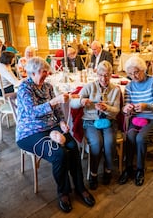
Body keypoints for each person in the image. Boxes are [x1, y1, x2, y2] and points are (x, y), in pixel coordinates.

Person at [15, 57, 95, 213]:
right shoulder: (24, 88)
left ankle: (79, 187)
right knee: (59, 154)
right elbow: (32, 113)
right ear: (32, 72)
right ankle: (63, 192)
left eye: (46, 71)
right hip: (30, 132)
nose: (46, 73)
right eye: (42, 71)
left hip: (52, 126)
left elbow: (58, 110)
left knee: (73, 147)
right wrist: (53, 102)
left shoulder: (48, 87)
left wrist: (62, 122)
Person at [70, 60, 121, 190]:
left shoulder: (115, 89)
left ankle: (108, 170)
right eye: (101, 75)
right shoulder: (89, 86)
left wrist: (107, 108)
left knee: (109, 142)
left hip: (108, 120)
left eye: (107, 75)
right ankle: (93, 173)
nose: (104, 78)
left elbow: (117, 110)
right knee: (97, 143)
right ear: (97, 74)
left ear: (111, 75)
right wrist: (81, 101)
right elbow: (73, 103)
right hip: (90, 120)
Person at [118, 56, 153, 186]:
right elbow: (125, 107)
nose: (134, 76)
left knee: (140, 138)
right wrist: (126, 108)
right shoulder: (129, 87)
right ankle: (128, 168)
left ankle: (140, 169)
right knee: (130, 136)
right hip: (138, 118)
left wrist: (146, 106)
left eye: (136, 72)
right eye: (130, 74)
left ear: (143, 69)